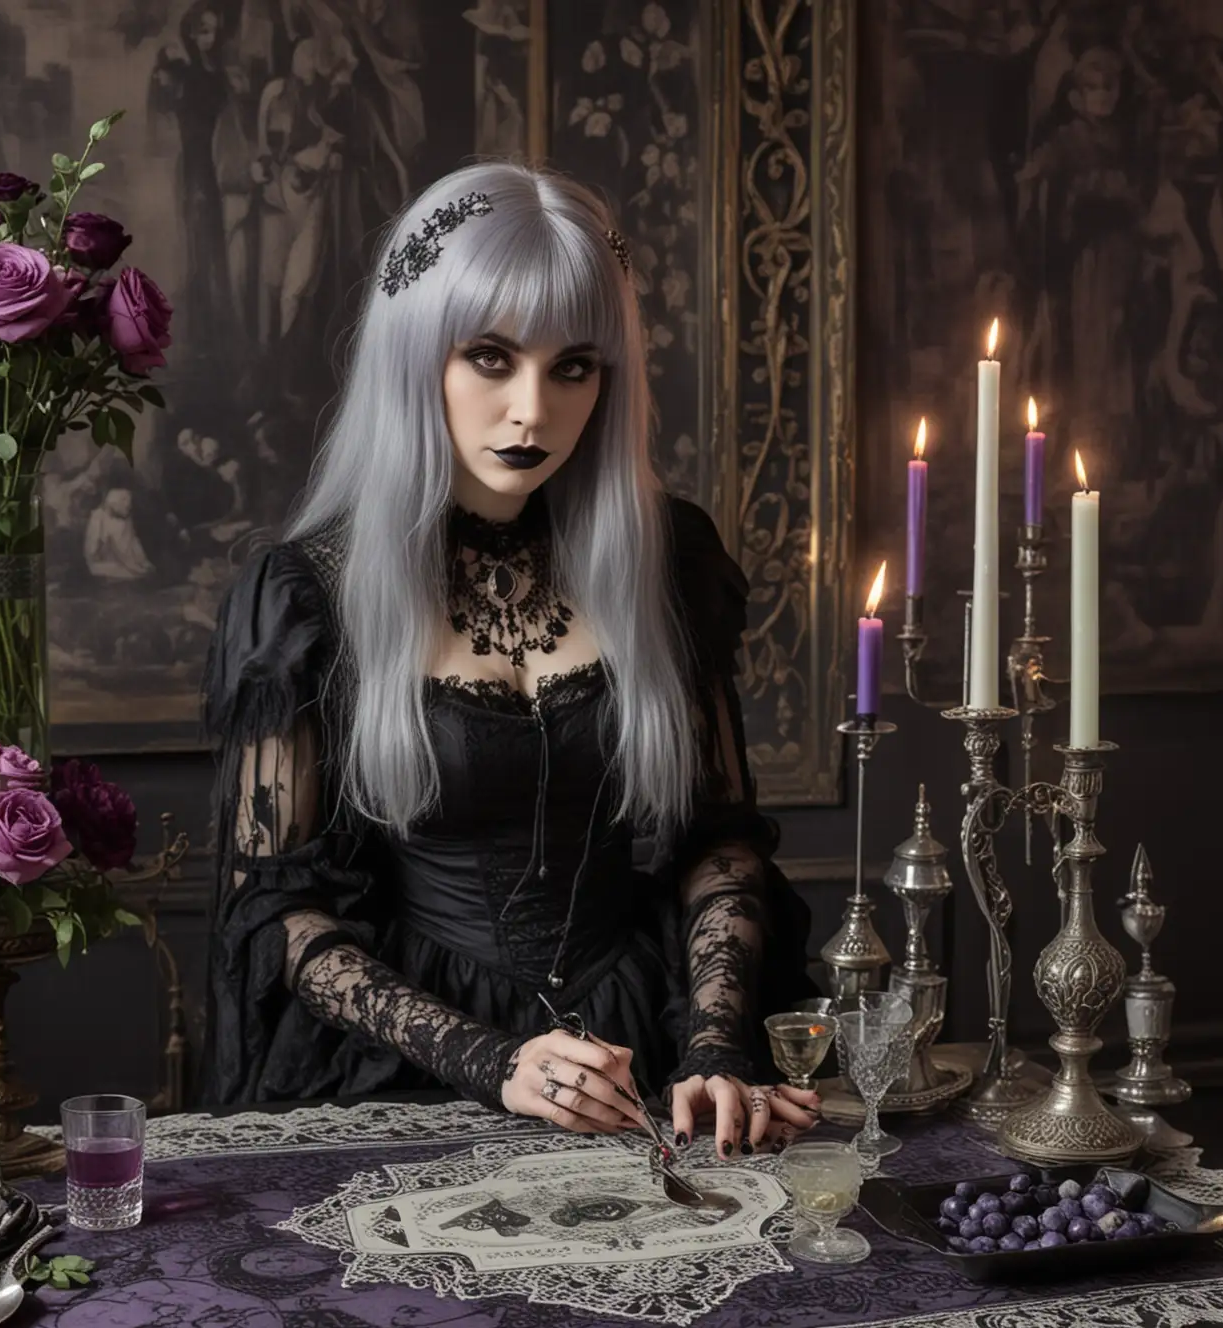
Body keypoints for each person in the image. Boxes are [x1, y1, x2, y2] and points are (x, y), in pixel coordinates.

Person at [203, 163, 818, 1160]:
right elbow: (278, 912)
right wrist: (494, 1059)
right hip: (410, 1066)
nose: (532, 410)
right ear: (417, 359)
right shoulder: (305, 597)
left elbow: (721, 841)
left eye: (574, 366)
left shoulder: (670, 558)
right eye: (490, 358)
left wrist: (717, 1043)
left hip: (644, 1047)